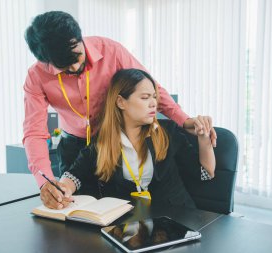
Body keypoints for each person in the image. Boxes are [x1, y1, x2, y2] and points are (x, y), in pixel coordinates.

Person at [23, 11, 217, 189]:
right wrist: (45, 182)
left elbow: (148, 86)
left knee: (116, 200)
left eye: (77, 57)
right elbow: (34, 132)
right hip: (77, 148)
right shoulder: (36, 76)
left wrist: (183, 120)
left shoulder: (111, 51)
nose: (74, 68)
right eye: (64, 66)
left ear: (79, 38)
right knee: (75, 207)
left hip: (113, 140)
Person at [40, 68, 215, 210]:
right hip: (129, 229)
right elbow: (75, 174)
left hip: (176, 220)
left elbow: (205, 174)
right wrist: (62, 188)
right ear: (121, 102)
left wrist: (204, 139)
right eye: (145, 98)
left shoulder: (168, 133)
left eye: (154, 97)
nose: (153, 103)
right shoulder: (103, 142)